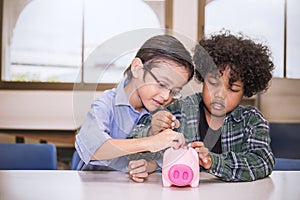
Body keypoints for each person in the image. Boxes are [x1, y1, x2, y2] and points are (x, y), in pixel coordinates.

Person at [127, 31, 275, 182]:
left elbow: (263, 162)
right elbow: (133, 140)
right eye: (212, 83)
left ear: (245, 91)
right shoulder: (179, 110)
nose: (219, 94)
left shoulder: (251, 120)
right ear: (203, 79)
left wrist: (213, 161)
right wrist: (152, 130)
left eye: (233, 89)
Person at [75, 34, 195, 171]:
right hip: (96, 186)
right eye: (162, 84)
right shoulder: (106, 103)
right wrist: (150, 143)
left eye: (174, 91)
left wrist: (150, 165)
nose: (166, 96)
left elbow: (165, 159)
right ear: (137, 68)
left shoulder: (164, 113)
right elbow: (93, 149)